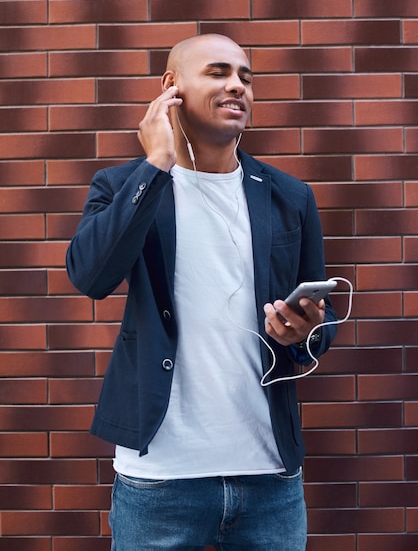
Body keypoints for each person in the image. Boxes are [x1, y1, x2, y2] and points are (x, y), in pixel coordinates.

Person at [66, 33, 337, 550]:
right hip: (161, 477)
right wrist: (156, 164)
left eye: (246, 77)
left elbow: (317, 329)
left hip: (270, 477)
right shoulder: (124, 183)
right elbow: (90, 277)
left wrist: (304, 332)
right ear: (171, 87)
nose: (237, 85)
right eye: (218, 73)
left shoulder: (289, 197)